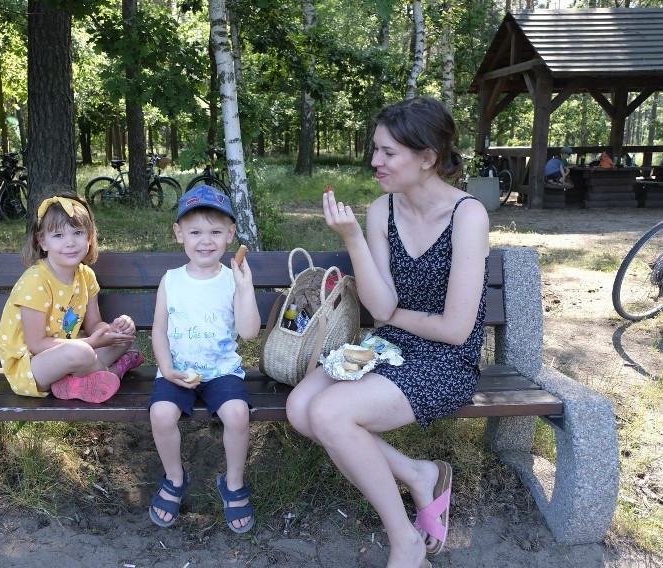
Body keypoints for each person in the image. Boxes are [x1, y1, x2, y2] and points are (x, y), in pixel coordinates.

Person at [286, 97, 489, 568]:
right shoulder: (382, 210)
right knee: (301, 409)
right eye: (375, 149)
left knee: (332, 415)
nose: (375, 161)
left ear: (427, 157)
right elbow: (379, 307)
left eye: (388, 152)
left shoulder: (467, 216)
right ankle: (419, 476)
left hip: (444, 360)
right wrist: (353, 239)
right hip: (389, 347)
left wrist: (395, 316)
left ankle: (406, 541)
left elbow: (456, 330)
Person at [148, 185, 261, 533]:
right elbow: (158, 331)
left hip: (222, 370)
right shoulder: (172, 280)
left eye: (215, 231)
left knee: (238, 414)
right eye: (195, 231)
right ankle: (175, 477)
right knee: (161, 414)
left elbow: (250, 332)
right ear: (179, 233)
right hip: (179, 369)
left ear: (230, 235)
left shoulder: (232, 280)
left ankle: (234, 482)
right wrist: (166, 369)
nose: (205, 241)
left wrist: (245, 289)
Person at [0, 191, 144, 403]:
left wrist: (110, 330)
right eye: (58, 235)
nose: (70, 242)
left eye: (77, 232)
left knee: (123, 339)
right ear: (42, 242)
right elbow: (36, 344)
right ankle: (114, 371)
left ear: (90, 237)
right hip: (31, 367)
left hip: (70, 354)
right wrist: (89, 343)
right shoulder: (35, 281)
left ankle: (74, 382)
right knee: (82, 352)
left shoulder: (86, 276)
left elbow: (93, 324)